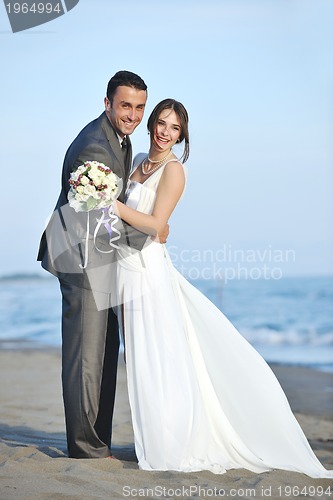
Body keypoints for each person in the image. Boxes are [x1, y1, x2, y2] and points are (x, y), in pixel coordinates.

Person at [111, 98, 333, 477]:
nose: (166, 132)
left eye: (175, 128)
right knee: (142, 360)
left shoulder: (174, 171)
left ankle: (174, 443)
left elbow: (154, 224)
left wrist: (112, 206)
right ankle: (156, 436)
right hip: (126, 270)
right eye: (162, 123)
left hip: (150, 274)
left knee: (162, 360)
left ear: (182, 135)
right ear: (151, 124)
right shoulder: (136, 164)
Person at [37, 71, 155, 459]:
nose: (133, 115)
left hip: (101, 257)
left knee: (105, 349)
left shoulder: (119, 138)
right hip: (81, 256)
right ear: (107, 104)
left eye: (139, 107)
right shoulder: (93, 146)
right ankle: (86, 448)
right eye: (125, 106)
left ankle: (97, 439)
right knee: (86, 356)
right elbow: (98, 216)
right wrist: (148, 236)